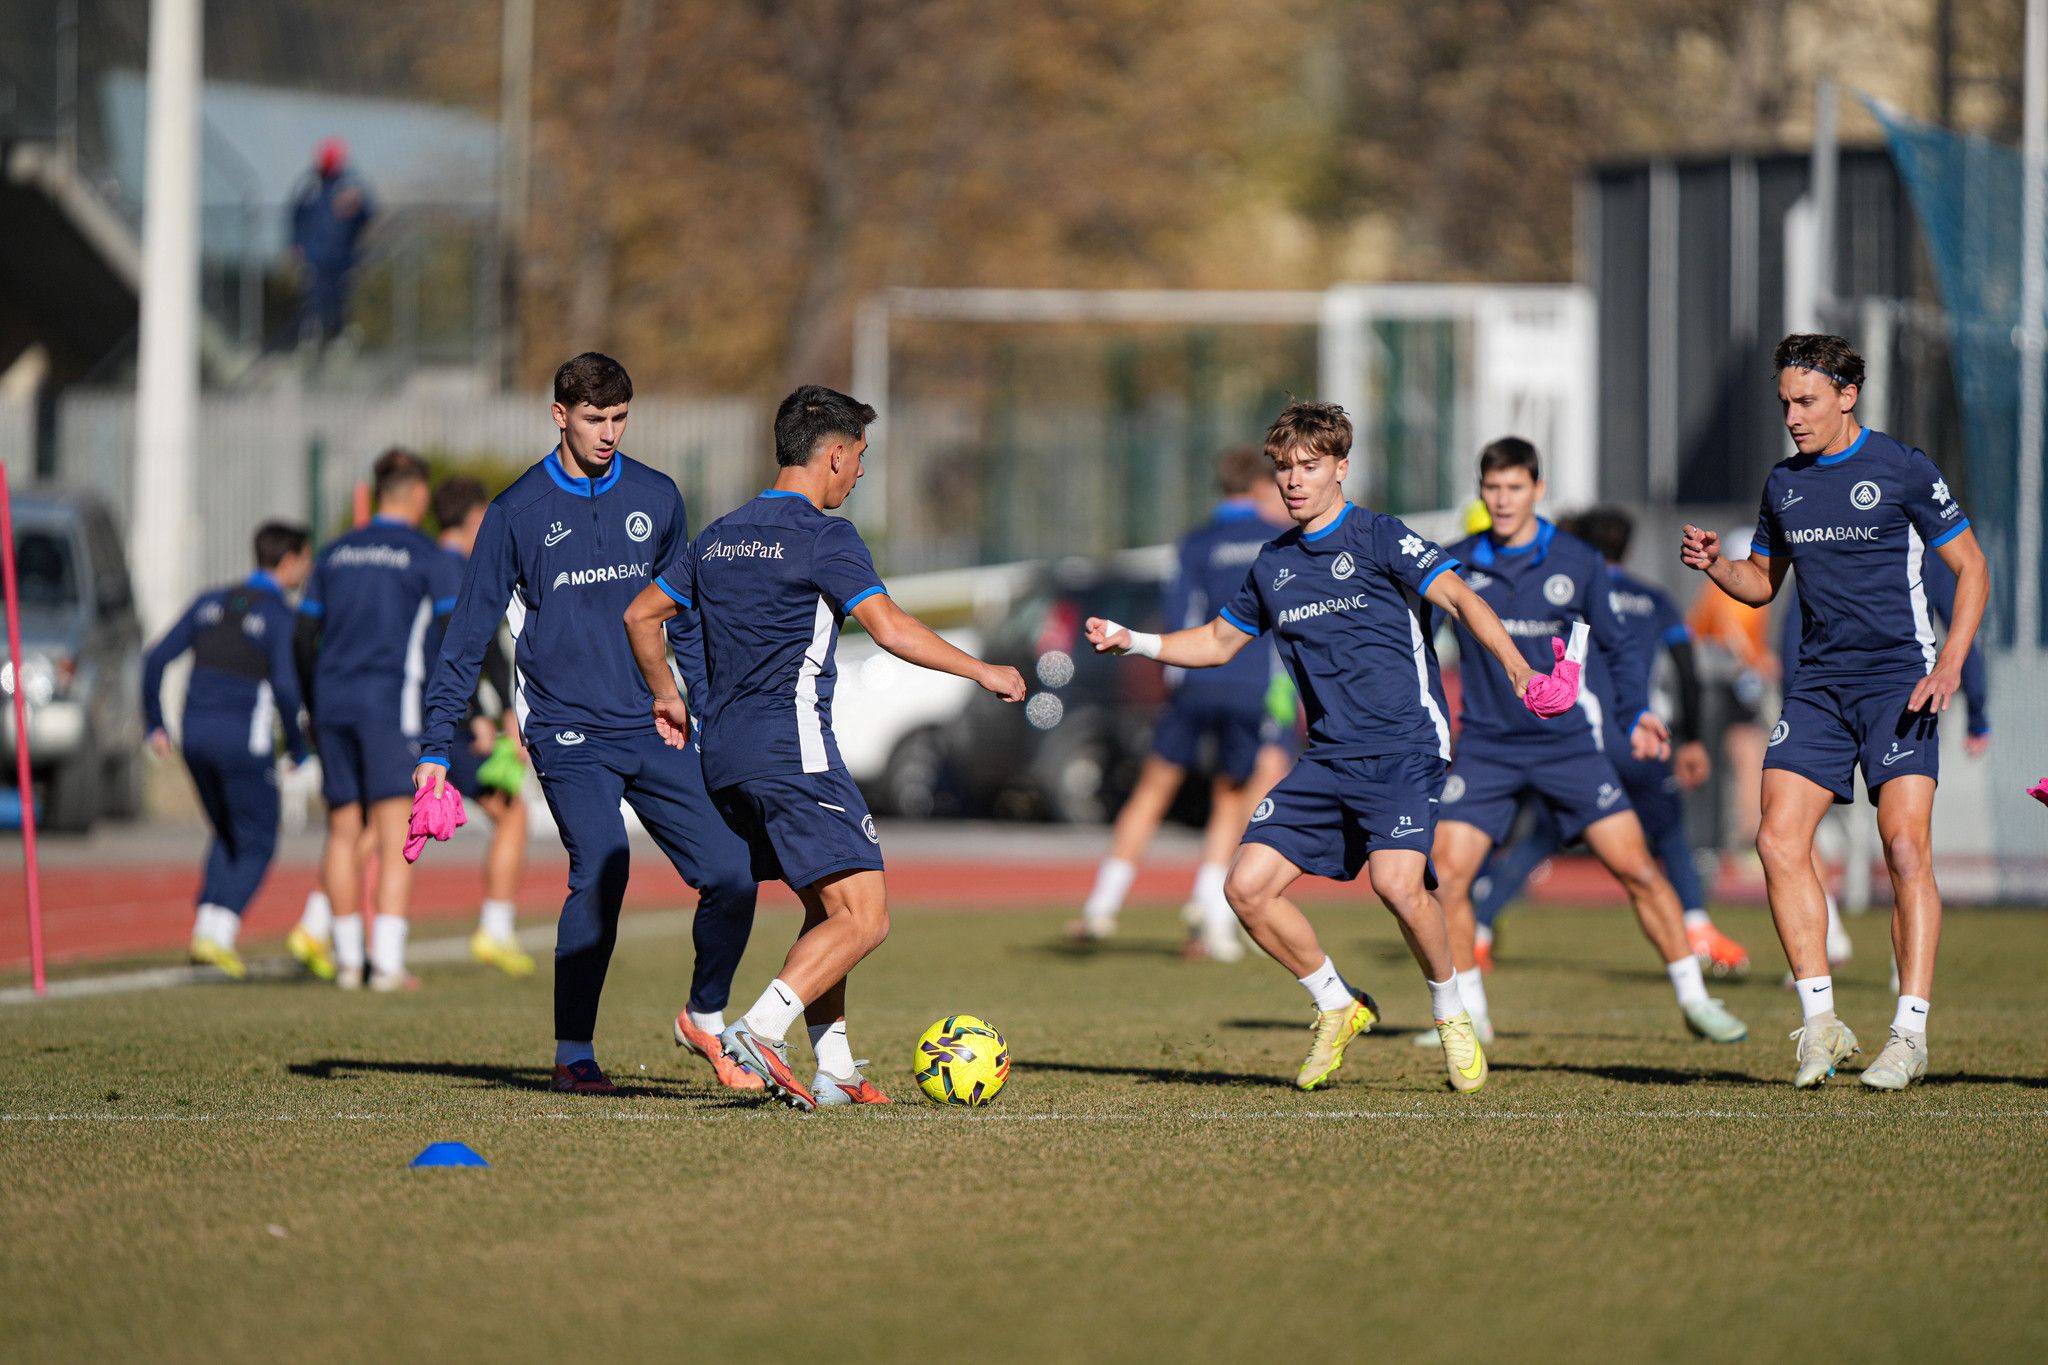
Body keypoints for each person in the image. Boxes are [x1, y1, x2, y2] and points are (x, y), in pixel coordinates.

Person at [1085, 401, 1555, 1095]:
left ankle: (1452, 1012)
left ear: (1341, 467)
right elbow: (1217, 642)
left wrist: (1517, 664)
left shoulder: (1380, 536)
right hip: (1329, 756)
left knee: (1398, 883)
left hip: (1404, 746)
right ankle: (1338, 1003)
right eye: (1284, 469)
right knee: (1244, 887)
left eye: (1309, 466)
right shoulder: (1272, 564)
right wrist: (1138, 639)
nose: (1295, 481)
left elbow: (1458, 596)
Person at [625, 384, 1027, 1111]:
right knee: (867, 914)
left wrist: (667, 693)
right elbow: (892, 629)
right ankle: (758, 1028)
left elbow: (641, 612)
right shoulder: (823, 536)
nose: (861, 474)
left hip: (725, 758)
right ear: (834, 453)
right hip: (793, 751)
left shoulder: (719, 535)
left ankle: (835, 1067)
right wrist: (982, 669)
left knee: (827, 909)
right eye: (861, 458)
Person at [412, 354, 760, 1094]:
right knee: (602, 861)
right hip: (566, 727)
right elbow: (467, 634)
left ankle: (704, 1014)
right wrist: (435, 747)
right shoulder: (516, 512)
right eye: (595, 418)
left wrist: (702, 704)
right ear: (559, 414)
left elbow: (685, 618)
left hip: (651, 722)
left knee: (733, 871)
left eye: (620, 418)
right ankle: (574, 1052)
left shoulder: (658, 496)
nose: (608, 433)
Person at [1682, 332, 1989, 1091]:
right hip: (1818, 687)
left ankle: (1908, 1034)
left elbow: (1972, 566)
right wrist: (1716, 565)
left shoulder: (1902, 467)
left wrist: (1950, 662)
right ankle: (1823, 1023)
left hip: (1900, 684)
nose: (1793, 415)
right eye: (1785, 402)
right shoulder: (1783, 483)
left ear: (1847, 396)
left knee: (1906, 850)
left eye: (1807, 400)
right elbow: (1762, 583)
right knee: (1777, 839)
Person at [1429, 439, 1748, 1048]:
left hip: (1567, 747)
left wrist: (1634, 717)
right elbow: (1414, 640)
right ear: (1481, 491)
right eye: (1492, 489)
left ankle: (1695, 998)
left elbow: (1618, 648)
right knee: (1447, 878)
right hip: (1488, 748)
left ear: (1537, 489)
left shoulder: (1577, 561)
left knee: (1636, 868)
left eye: (1514, 488)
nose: (1502, 500)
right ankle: (1470, 1017)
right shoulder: (1455, 563)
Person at [1468, 507, 1749, 977]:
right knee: (1671, 836)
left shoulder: (1569, 593)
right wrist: (1694, 740)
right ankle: (1698, 928)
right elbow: (1686, 669)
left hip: (1578, 740)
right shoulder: (1654, 599)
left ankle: (1478, 930)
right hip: (1639, 738)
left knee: (1542, 836)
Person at [1070, 447, 1297, 960]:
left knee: (1153, 789)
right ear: (1261, 486)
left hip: (1192, 684)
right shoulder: (1274, 540)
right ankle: (1209, 914)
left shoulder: (1195, 542)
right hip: (1248, 688)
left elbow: (1177, 614)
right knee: (1231, 800)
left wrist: (1173, 680)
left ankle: (1101, 907)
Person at [287, 449, 461, 990]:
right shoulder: (427, 556)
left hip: (332, 703)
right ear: (419, 495)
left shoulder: (335, 553)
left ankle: (345, 963)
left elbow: (302, 636)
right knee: (393, 833)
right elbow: (449, 638)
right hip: (391, 704)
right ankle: (385, 963)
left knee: (342, 832)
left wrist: (311, 705)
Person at [1775, 551, 1990, 981]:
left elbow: (1958, 624)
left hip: (1902, 703)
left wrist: (1977, 707)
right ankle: (1828, 934)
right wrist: (1798, 709)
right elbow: (1791, 632)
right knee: (1786, 830)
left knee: (1904, 843)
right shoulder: (1818, 536)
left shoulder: (1914, 545)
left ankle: (1905, 962)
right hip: (1825, 707)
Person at [142, 522, 314, 979]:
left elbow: (155, 659)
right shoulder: (280, 615)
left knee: (227, 831)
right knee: (258, 841)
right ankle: (220, 933)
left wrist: (155, 724)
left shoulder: (209, 602)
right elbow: (283, 683)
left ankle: (205, 933)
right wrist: (298, 746)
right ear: (291, 559)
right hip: (244, 740)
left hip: (193, 737)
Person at [429, 477, 537, 979]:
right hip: (444, 721)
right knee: (513, 815)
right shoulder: (454, 571)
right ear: (475, 519)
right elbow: (467, 648)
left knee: (370, 825)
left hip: (402, 716)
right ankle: (495, 929)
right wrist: (483, 715)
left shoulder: (424, 565)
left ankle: (323, 925)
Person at [286, 137, 375, 348]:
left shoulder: (350, 187)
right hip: (315, 257)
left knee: (340, 299)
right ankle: (312, 337)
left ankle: (339, 337)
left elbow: (367, 214)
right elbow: (296, 218)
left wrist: (356, 204)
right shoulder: (311, 188)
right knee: (314, 300)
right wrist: (296, 245)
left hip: (342, 257)